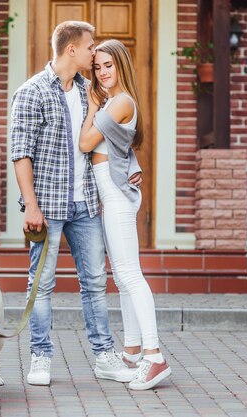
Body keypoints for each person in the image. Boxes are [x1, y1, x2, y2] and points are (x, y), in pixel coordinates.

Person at [10, 22, 140, 386]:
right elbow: (21, 154)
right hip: (47, 206)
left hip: (86, 205)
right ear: (72, 50)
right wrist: (31, 205)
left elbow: (115, 137)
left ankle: (103, 355)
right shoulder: (31, 93)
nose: (94, 54)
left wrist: (133, 166)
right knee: (43, 282)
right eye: (90, 48)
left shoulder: (90, 91)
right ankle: (40, 355)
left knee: (96, 283)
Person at [79, 39, 171, 390]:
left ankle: (155, 356)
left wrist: (90, 105)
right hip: (112, 193)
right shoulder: (112, 102)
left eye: (108, 66)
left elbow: (86, 143)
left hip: (116, 196)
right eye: (97, 67)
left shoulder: (119, 102)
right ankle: (132, 351)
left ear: (121, 66)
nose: (102, 73)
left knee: (131, 275)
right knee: (121, 275)